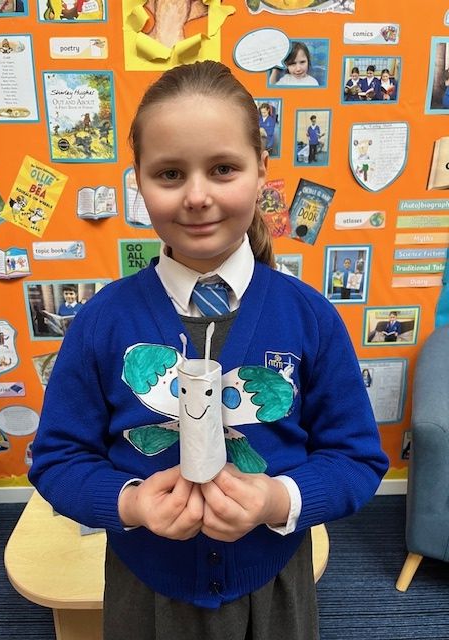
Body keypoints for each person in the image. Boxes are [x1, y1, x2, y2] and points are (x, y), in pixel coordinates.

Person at [29, 61, 388, 640]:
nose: (197, 196)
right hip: (147, 587)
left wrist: (277, 499)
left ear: (261, 169)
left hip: (273, 585)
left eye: (223, 169)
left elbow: (357, 459)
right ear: (139, 181)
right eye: (170, 173)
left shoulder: (310, 317)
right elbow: (56, 460)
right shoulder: (101, 322)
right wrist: (131, 505)